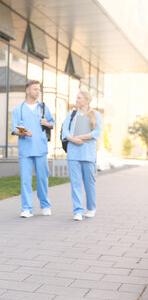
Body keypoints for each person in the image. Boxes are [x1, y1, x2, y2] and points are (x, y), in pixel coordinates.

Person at [11, 80, 55, 218]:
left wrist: (46, 123)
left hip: (40, 148)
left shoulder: (43, 108)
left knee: (42, 178)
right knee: (25, 179)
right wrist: (22, 132)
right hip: (25, 149)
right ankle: (27, 208)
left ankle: (45, 205)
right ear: (27, 91)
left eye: (39, 89)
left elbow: (52, 124)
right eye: (35, 89)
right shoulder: (18, 110)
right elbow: (14, 129)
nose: (38, 92)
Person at [61, 91, 102, 221]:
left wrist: (81, 137)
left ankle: (91, 208)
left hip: (88, 153)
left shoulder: (96, 114)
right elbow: (65, 131)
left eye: (79, 98)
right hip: (73, 153)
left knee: (89, 182)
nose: (76, 100)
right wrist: (73, 140)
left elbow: (97, 132)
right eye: (76, 97)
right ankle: (78, 211)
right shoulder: (71, 114)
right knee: (75, 183)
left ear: (86, 100)